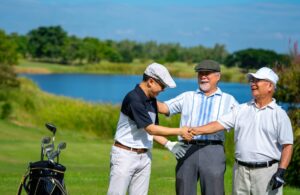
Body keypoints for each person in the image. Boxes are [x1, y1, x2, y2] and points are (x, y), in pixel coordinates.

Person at [190, 67, 294, 195]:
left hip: (266, 173)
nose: (253, 83)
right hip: (240, 171)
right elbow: (217, 124)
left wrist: (281, 171)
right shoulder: (241, 109)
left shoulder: (280, 115)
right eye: (252, 80)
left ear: (270, 86)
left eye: (257, 80)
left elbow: (287, 146)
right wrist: (193, 131)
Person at [107, 62, 192, 195]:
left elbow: (151, 130)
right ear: (151, 81)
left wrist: (169, 144)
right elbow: (151, 129)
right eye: (162, 86)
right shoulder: (133, 99)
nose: (163, 90)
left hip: (145, 156)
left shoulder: (151, 100)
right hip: (125, 155)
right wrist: (180, 131)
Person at [158, 60, 238, 195]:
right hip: (187, 149)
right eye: (200, 73)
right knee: (184, 191)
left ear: (218, 76)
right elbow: (164, 107)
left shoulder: (229, 100)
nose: (203, 76)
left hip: (213, 150)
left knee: (214, 192)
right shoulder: (187, 96)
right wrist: (143, 96)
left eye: (207, 73)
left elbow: (241, 123)